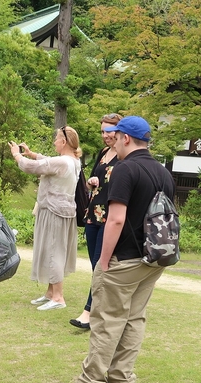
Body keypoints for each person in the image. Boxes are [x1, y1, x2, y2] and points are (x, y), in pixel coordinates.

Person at [54, 116, 175, 383]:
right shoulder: (163, 172)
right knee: (134, 318)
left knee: (107, 318)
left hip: (125, 257)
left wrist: (104, 261)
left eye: (115, 135)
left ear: (126, 138)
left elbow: (116, 219)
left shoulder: (125, 169)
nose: (112, 141)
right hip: (154, 258)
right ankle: (121, 377)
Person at [9, 126, 81, 310]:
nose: (54, 142)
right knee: (55, 250)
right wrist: (32, 153)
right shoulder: (73, 161)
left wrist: (18, 155)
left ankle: (58, 297)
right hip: (64, 210)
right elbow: (48, 162)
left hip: (54, 210)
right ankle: (51, 292)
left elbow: (31, 167)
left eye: (56, 139)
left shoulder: (63, 162)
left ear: (63, 142)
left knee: (54, 252)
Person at [70, 113, 122, 330]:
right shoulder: (103, 153)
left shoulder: (126, 156)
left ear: (120, 132)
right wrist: (92, 182)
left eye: (108, 131)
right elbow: (95, 180)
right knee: (95, 266)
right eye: (102, 131)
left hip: (111, 216)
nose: (105, 136)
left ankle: (89, 312)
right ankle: (105, 308)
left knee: (102, 265)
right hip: (94, 214)